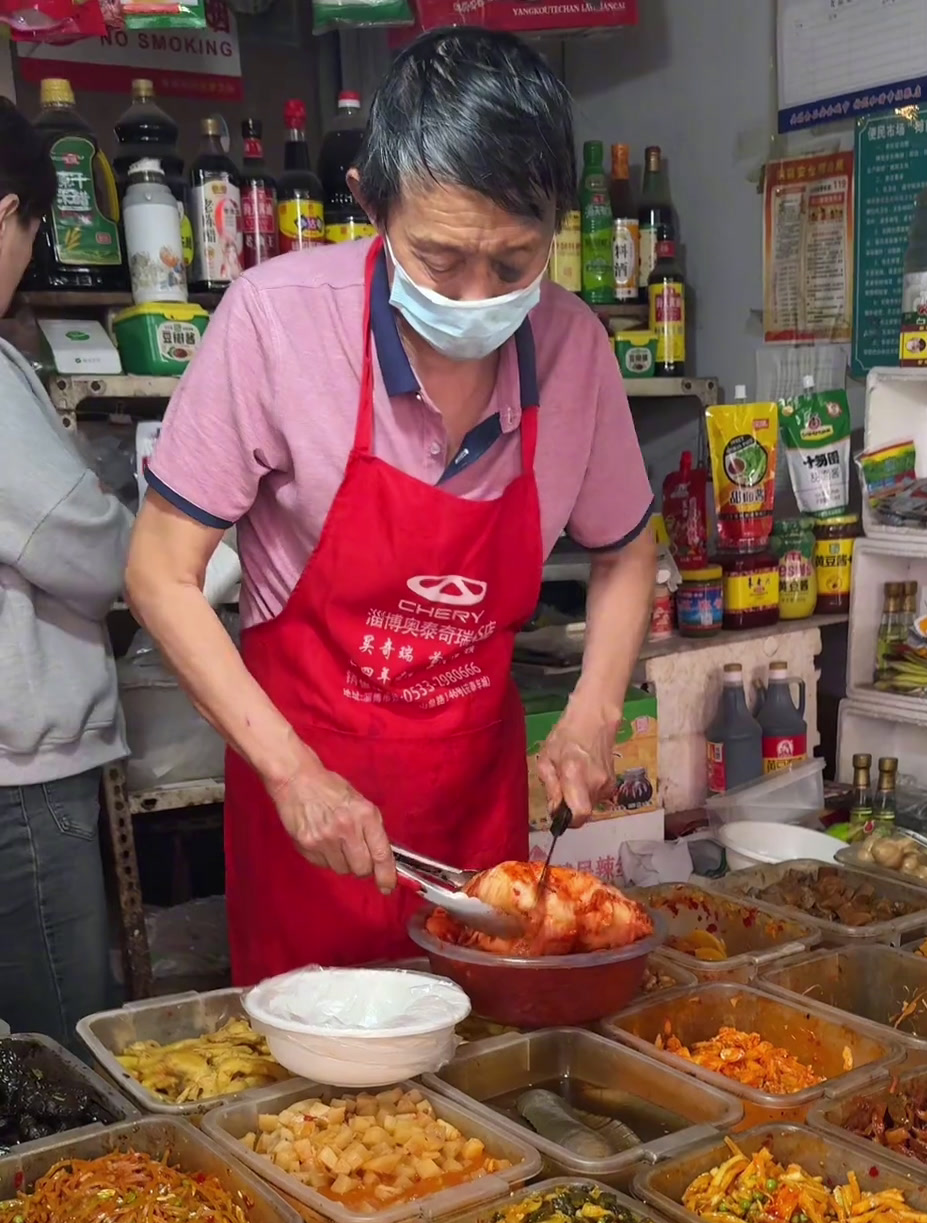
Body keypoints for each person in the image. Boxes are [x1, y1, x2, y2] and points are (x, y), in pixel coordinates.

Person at [127, 27, 657, 985]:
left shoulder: (575, 348)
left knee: (485, 1081)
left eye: (514, 262)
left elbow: (625, 548)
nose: (478, 294)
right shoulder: (273, 323)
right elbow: (160, 574)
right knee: (323, 1117)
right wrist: (292, 776)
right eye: (441, 257)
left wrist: (590, 716)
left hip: (473, 815)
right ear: (373, 202)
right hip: (309, 805)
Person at [0, 98, 132, 1048]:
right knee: (64, 1060)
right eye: (33, 229)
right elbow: (84, 542)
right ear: (6, 214)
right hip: (21, 780)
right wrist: (193, 559)